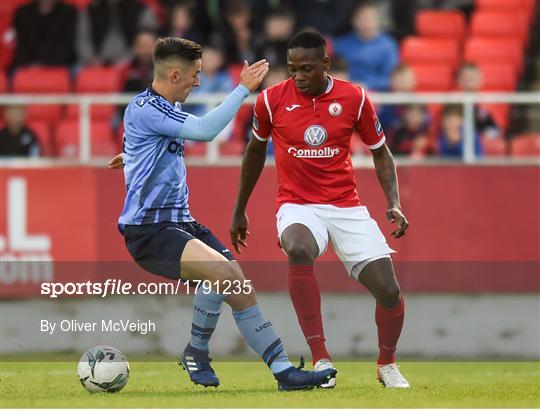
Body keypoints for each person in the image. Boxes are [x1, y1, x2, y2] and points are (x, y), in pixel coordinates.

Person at [108, 36, 336, 391]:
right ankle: (281, 373)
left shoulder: (158, 108)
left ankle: (204, 353)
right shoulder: (146, 108)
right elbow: (206, 131)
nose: (198, 81)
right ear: (173, 74)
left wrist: (130, 157)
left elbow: (143, 144)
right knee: (227, 276)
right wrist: (241, 90)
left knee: (235, 284)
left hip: (180, 221)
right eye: (194, 75)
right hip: (150, 230)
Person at [229, 31, 410, 389]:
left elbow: (380, 151)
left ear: (325, 64)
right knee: (297, 248)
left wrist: (393, 201)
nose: (298, 76)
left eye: (306, 69)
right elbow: (253, 153)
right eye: (293, 69)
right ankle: (320, 358)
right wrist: (240, 209)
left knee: (389, 291)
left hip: (346, 205)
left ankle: (387, 365)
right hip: (297, 205)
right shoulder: (269, 101)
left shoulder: (355, 98)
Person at [333, 2, 399, 91]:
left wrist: (367, 85)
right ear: (353, 21)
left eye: (370, 19)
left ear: (378, 21)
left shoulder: (388, 45)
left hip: (378, 96)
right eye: (362, 19)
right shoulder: (341, 44)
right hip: (346, 92)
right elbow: (335, 73)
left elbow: (392, 78)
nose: (366, 24)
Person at [11, 0, 78, 70]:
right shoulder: (22, 12)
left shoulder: (69, 12)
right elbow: (21, 46)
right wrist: (31, 64)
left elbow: (67, 46)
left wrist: (44, 63)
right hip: (27, 66)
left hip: (60, 66)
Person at [456, 62, 501, 139]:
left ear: (480, 79)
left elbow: (498, 129)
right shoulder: (453, 102)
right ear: (460, 80)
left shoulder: (489, 103)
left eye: (472, 78)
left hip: (483, 143)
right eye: (467, 78)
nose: (470, 81)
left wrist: (484, 137)